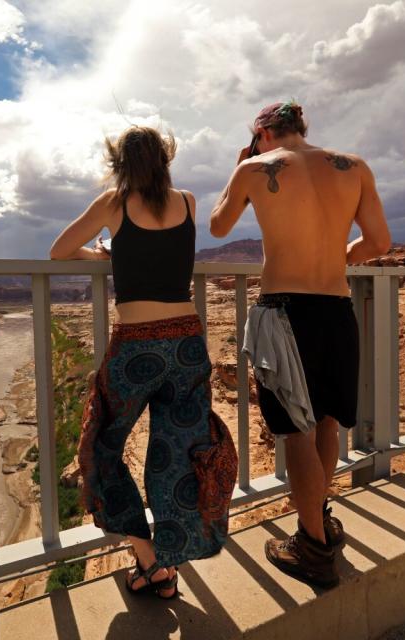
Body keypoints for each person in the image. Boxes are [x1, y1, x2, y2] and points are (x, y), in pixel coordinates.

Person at [209, 101, 391, 588]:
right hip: (336, 308)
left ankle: (313, 547)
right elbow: (379, 243)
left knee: (296, 432)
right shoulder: (353, 166)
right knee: (328, 422)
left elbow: (218, 227)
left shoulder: (254, 167)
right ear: (301, 128)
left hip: (285, 310)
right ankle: (317, 519)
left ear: (263, 134)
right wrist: (338, 252)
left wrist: (240, 169)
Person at [50, 126, 236, 599]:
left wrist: (105, 254)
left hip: (137, 347)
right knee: (179, 453)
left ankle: (150, 563)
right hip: (188, 344)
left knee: (103, 446)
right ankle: (175, 557)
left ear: (120, 165)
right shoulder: (190, 202)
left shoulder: (113, 203)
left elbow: (59, 250)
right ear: (165, 160)